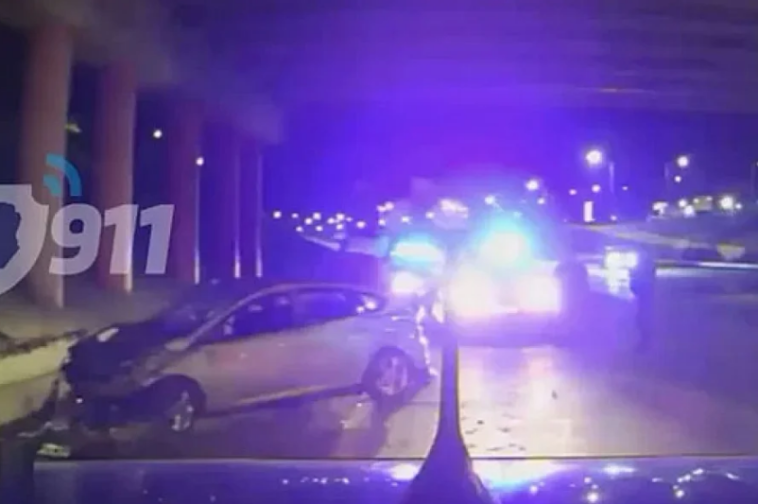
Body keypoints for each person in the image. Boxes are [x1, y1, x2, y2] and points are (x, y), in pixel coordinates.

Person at [629, 253, 657, 351]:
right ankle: (645, 341)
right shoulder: (646, 265)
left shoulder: (644, 266)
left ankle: (645, 342)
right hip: (644, 295)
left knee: (642, 318)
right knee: (641, 318)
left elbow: (638, 279)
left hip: (644, 295)